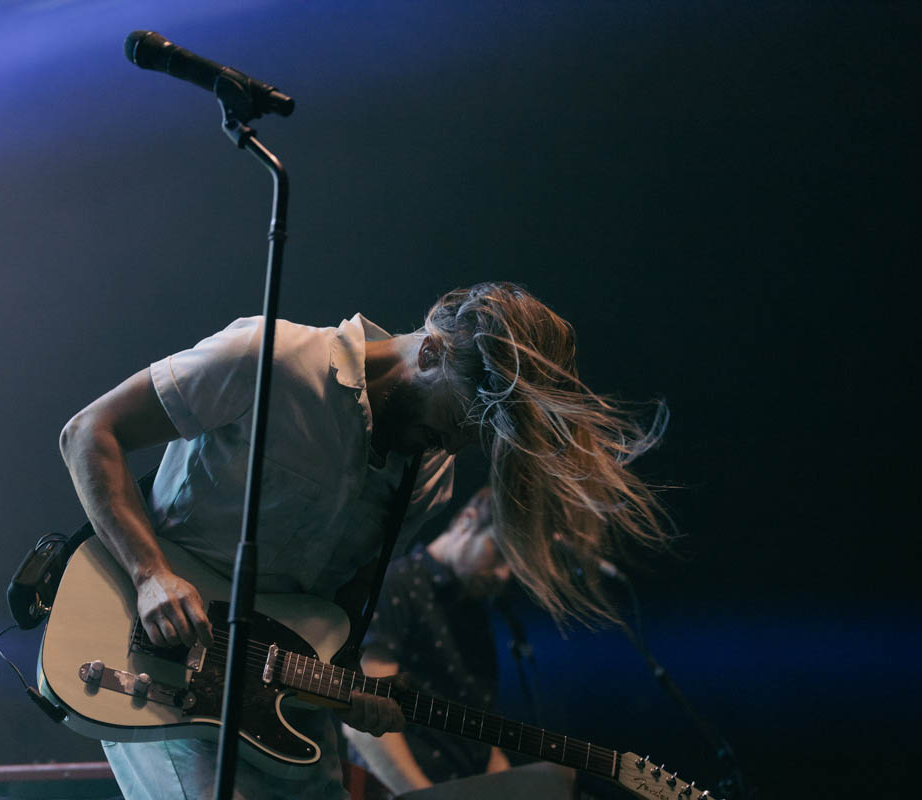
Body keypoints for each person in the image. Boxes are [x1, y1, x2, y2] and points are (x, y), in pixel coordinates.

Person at [59, 282, 667, 799]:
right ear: (430, 351)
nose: (453, 446)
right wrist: (149, 574)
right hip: (160, 659)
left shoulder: (429, 475)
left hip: (279, 706)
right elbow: (89, 432)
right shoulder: (271, 358)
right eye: (454, 423)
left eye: (470, 438)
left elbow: (344, 605)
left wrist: (349, 684)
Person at [341, 488, 525, 795]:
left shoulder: (474, 610)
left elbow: (478, 726)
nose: (504, 574)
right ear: (466, 521)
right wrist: (421, 794)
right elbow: (364, 723)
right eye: (499, 551)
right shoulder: (398, 583)